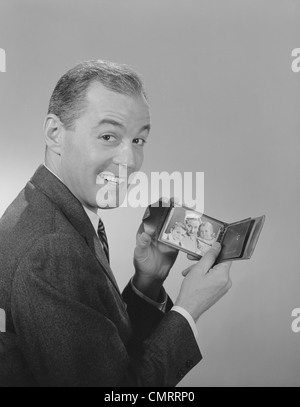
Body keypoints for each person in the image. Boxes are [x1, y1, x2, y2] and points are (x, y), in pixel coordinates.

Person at [0, 60, 232, 387]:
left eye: (138, 140)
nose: (130, 161)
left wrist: (147, 283)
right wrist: (188, 309)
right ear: (55, 133)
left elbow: (105, 358)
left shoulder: (51, 210)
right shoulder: (51, 251)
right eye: (109, 136)